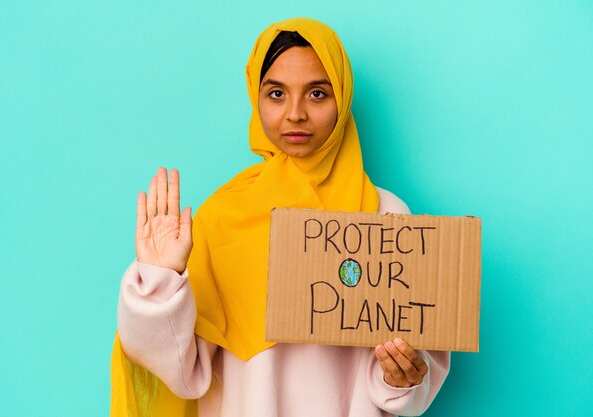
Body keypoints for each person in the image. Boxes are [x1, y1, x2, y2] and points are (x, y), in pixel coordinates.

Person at [111, 17, 450, 417]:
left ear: (342, 99)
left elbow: (411, 368)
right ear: (256, 99)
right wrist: (160, 280)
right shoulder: (223, 216)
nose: (295, 114)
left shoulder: (388, 216)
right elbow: (185, 374)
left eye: (318, 93)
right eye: (276, 93)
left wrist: (400, 379)